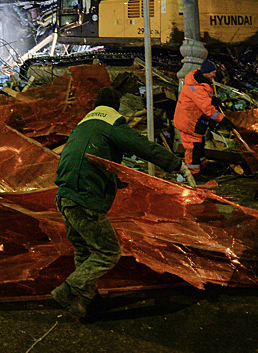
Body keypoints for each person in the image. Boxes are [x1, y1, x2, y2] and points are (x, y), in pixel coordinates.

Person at [52, 87, 196, 318]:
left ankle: (86, 301)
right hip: (85, 199)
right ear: (116, 107)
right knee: (108, 252)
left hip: (64, 197)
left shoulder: (83, 127)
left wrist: (117, 183)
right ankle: (69, 289)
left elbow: (88, 161)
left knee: (84, 250)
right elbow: (144, 147)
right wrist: (176, 165)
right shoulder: (111, 126)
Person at [172, 60, 234, 173]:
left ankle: (201, 167)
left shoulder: (200, 83)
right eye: (212, 72)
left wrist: (212, 100)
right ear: (206, 72)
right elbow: (208, 110)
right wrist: (223, 120)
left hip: (193, 121)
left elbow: (203, 102)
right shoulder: (197, 88)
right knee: (193, 148)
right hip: (189, 123)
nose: (214, 75)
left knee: (199, 146)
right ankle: (192, 173)